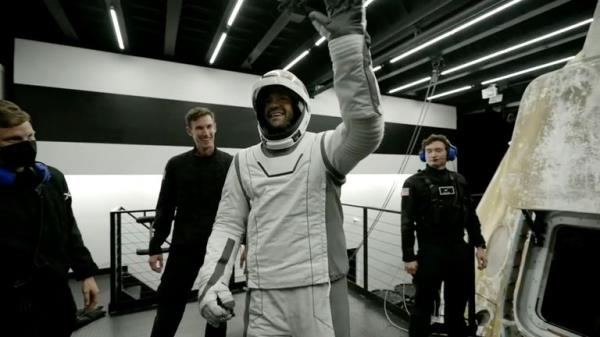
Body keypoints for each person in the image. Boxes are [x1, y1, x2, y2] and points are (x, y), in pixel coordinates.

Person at [195, 1, 384, 336]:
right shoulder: (243, 161)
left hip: (321, 292)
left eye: (282, 98)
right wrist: (212, 282)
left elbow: (366, 126)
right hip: (263, 295)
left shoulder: (324, 147)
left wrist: (348, 48)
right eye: (267, 101)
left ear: (299, 106)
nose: (274, 105)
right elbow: (227, 226)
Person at [0, 99, 100, 337]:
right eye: (14, 140)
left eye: (30, 137)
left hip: (55, 294)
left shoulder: (52, 179)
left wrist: (86, 273)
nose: (26, 145)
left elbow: (70, 229)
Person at [148, 107, 232, 337]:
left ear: (215, 127)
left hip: (217, 250)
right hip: (183, 248)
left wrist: (246, 242)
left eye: (208, 126)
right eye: (199, 128)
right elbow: (164, 208)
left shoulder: (230, 164)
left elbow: (240, 209)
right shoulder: (176, 165)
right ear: (189, 131)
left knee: (217, 310)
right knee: (168, 307)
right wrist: (155, 246)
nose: (205, 133)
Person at [401, 133, 488, 337]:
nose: (433, 155)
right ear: (424, 155)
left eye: (438, 150)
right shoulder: (413, 183)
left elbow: (470, 216)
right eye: (429, 151)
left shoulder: (459, 180)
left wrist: (479, 246)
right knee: (423, 305)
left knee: (457, 304)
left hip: (458, 250)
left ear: (449, 153)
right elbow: (407, 222)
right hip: (430, 252)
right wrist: (409, 257)